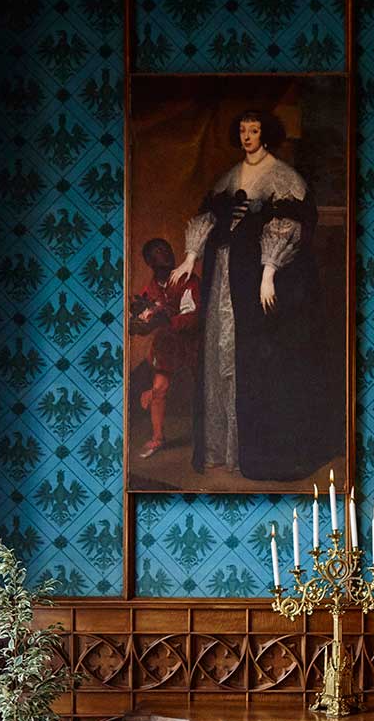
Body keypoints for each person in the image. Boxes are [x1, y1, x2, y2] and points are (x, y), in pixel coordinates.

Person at [169, 108, 338, 481]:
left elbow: (288, 227)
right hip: (225, 275)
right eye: (243, 130)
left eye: (255, 130)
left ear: (266, 134)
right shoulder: (229, 177)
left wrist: (269, 272)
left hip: (258, 278)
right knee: (221, 351)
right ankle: (223, 449)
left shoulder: (283, 177)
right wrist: (190, 257)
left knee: (256, 358)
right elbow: (209, 217)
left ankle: (257, 450)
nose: (247, 136)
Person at [131, 238, 200, 459]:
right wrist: (139, 324)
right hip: (167, 345)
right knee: (158, 388)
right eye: (159, 251)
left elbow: (194, 317)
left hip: (193, 343)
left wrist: (167, 319)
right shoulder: (150, 289)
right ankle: (158, 438)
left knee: (204, 388)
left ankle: (208, 438)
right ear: (150, 261)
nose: (166, 254)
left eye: (167, 249)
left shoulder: (187, 279)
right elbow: (142, 320)